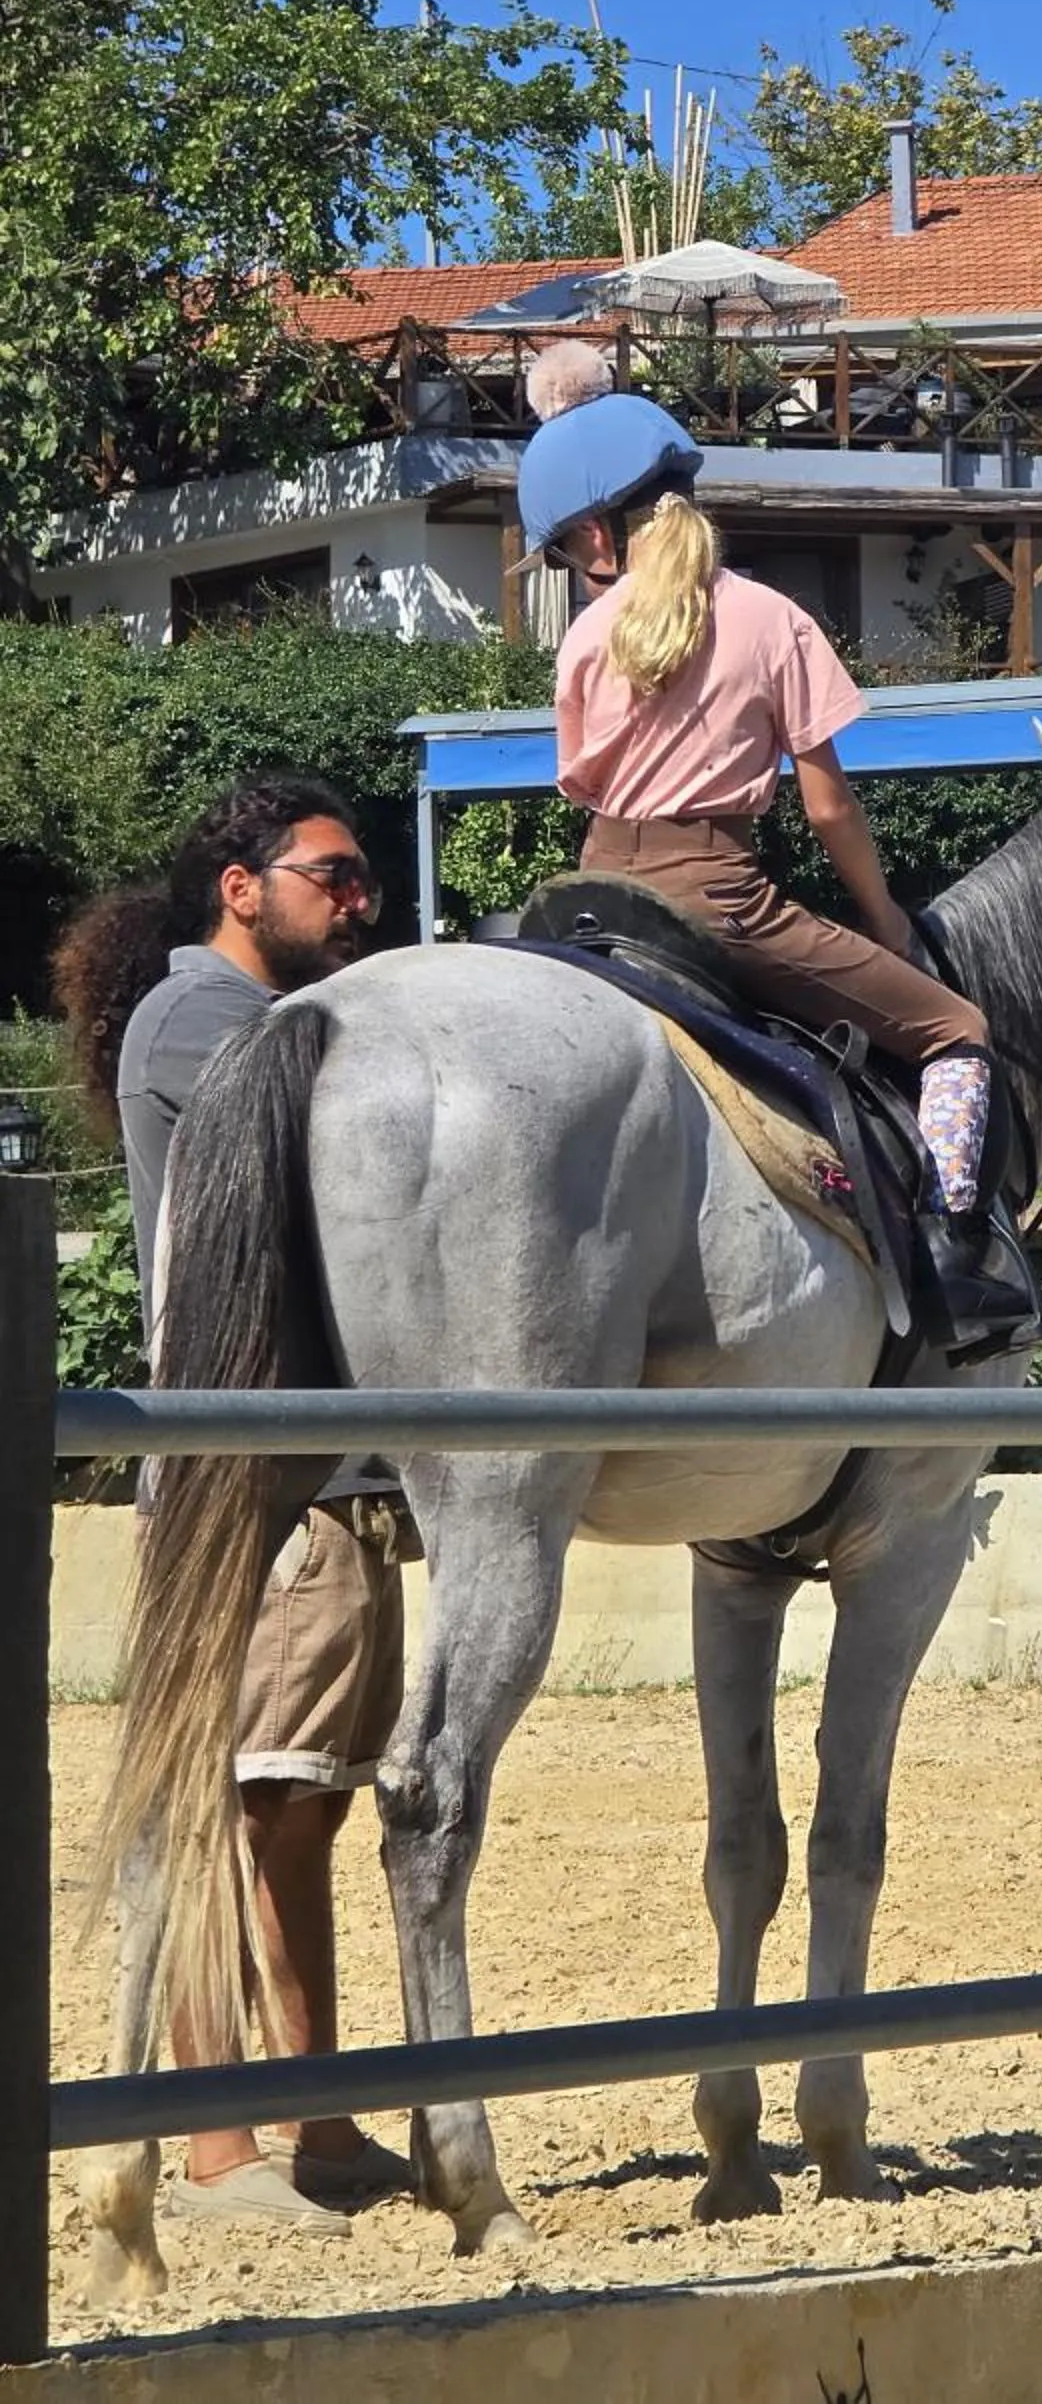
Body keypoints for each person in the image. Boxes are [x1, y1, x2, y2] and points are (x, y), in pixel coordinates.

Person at [53, 774, 414, 2231]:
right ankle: (211, 2145)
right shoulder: (202, 1024)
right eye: (331, 873)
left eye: (363, 878)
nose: (358, 897)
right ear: (240, 887)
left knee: (296, 1809)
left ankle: (313, 2118)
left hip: (322, 1474)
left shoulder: (267, 1019)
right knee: (225, 1802)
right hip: (247, 1485)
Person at [515, 373, 1042, 1358]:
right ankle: (956, 1256)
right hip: (715, 892)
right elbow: (830, 803)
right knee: (957, 1031)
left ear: (593, 539)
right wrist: (884, 920)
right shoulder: (770, 619)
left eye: (563, 556)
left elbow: (580, 784)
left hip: (589, 890)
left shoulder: (587, 634)